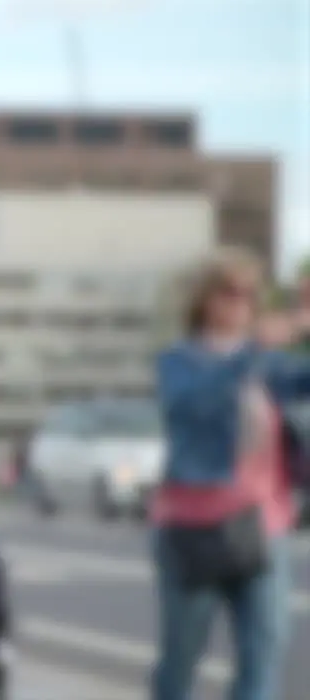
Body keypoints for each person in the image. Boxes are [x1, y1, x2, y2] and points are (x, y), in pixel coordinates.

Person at [150, 249, 310, 700]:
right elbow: (196, 402)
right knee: (180, 664)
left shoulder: (269, 364)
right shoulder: (178, 361)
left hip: (263, 526)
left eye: (249, 295)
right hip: (193, 526)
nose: (240, 302)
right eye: (229, 292)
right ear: (204, 300)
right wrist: (254, 350)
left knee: (264, 654)